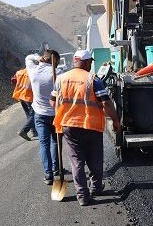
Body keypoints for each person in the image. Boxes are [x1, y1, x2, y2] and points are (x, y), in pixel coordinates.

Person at [52, 50, 122, 206]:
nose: (91, 64)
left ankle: (82, 196)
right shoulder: (92, 79)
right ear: (85, 62)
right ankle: (96, 188)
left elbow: (53, 101)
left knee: (77, 161)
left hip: (69, 125)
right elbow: (106, 102)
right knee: (95, 158)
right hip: (91, 125)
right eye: (90, 61)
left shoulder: (61, 79)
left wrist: (61, 113)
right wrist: (116, 121)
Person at [26, 49, 61, 184]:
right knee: (55, 141)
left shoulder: (33, 71)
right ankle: (56, 168)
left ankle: (48, 174)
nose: (57, 64)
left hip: (40, 114)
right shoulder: (57, 73)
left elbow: (29, 58)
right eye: (56, 61)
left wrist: (38, 57)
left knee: (44, 144)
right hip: (55, 114)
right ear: (53, 61)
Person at [11, 67, 37, 140]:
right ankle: (24, 131)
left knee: (29, 115)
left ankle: (34, 131)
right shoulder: (33, 73)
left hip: (21, 96)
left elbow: (13, 80)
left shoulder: (19, 72)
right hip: (29, 97)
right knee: (34, 115)